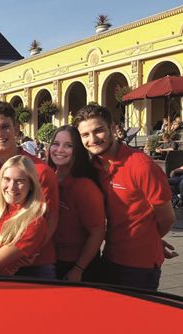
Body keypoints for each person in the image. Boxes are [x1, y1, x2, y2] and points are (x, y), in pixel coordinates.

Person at [73, 104, 175, 290]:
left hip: (139, 266)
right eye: (85, 135)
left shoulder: (140, 165)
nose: (93, 139)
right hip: (110, 257)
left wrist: (148, 237)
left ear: (113, 128)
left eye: (98, 130)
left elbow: (167, 218)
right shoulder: (95, 165)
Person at [0, 100, 59, 278]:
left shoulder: (40, 171)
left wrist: (33, 251)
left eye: (5, 127)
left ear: (17, 129)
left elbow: (52, 217)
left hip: (34, 264)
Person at [47, 125, 105, 282]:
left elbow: (97, 232)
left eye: (68, 145)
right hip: (51, 259)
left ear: (78, 151)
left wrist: (78, 269)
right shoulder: (48, 178)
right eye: (56, 143)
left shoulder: (85, 187)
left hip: (75, 264)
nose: (59, 149)